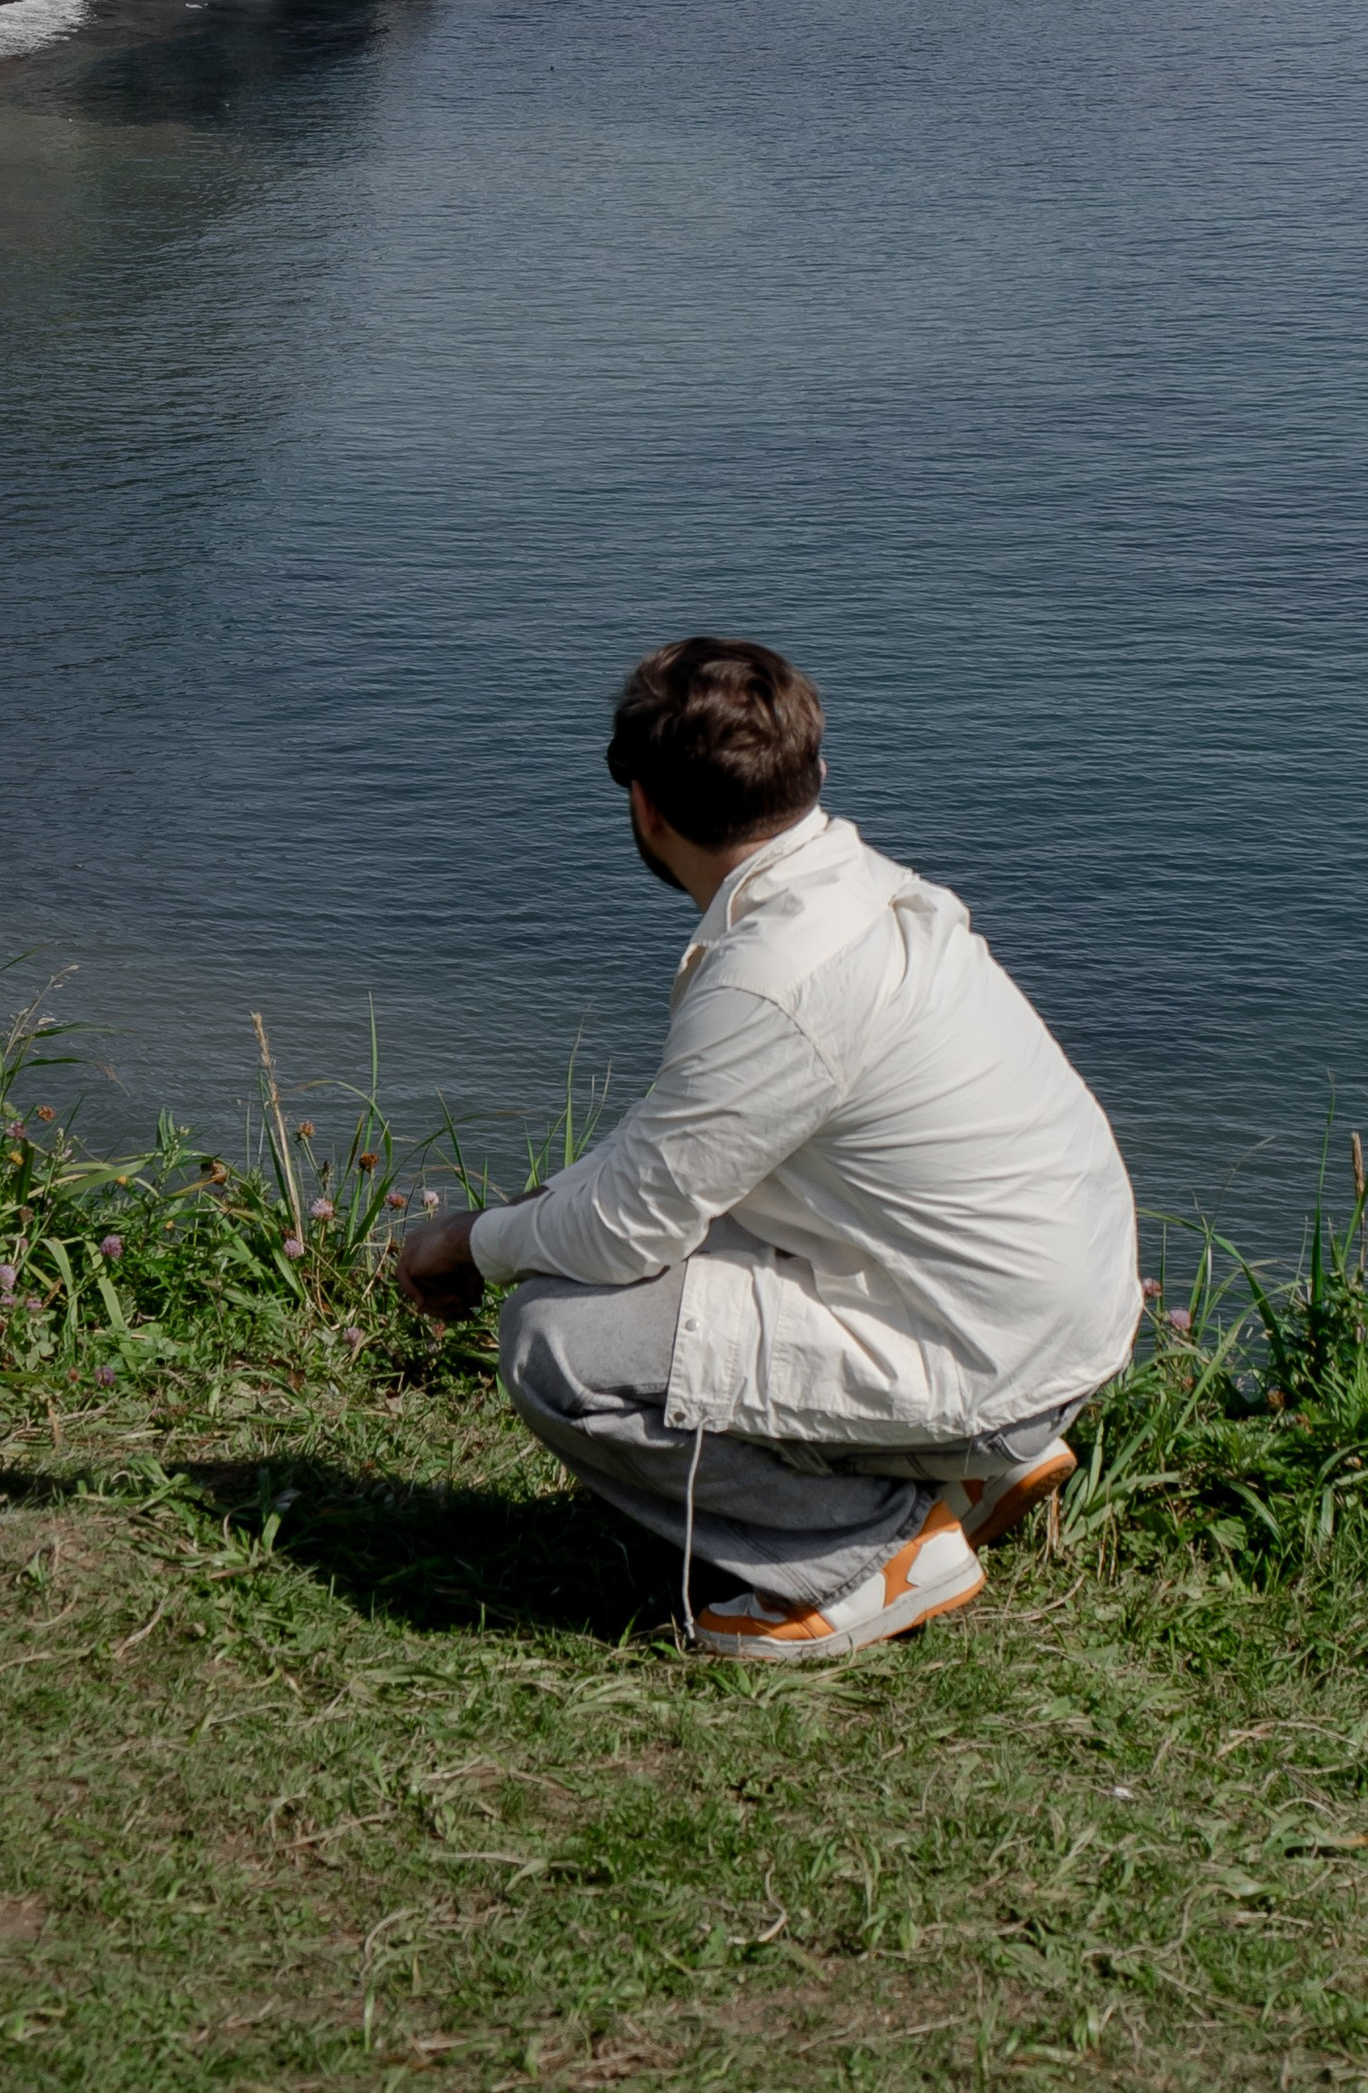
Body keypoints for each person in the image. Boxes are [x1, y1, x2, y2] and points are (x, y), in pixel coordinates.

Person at [396, 634, 1142, 1665]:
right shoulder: (857, 891)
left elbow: (621, 1232)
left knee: (554, 1341)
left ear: (644, 807)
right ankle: (968, 1469)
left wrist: (466, 1243)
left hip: (992, 1352)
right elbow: (663, 1177)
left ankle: (864, 1554)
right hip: (1054, 1310)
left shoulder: (773, 976)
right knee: (651, 1254)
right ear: (816, 774)